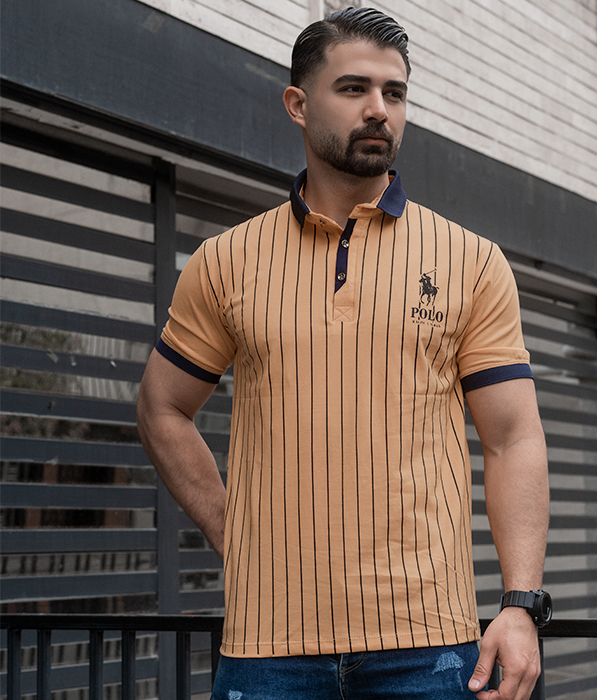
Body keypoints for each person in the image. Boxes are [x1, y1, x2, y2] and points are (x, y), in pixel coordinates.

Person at [136, 7, 550, 700]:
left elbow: (513, 438)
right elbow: (161, 409)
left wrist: (521, 603)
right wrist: (234, 533)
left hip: (428, 645)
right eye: (354, 88)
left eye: (395, 92)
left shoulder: (472, 261)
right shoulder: (225, 262)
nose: (379, 109)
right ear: (298, 105)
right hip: (268, 648)